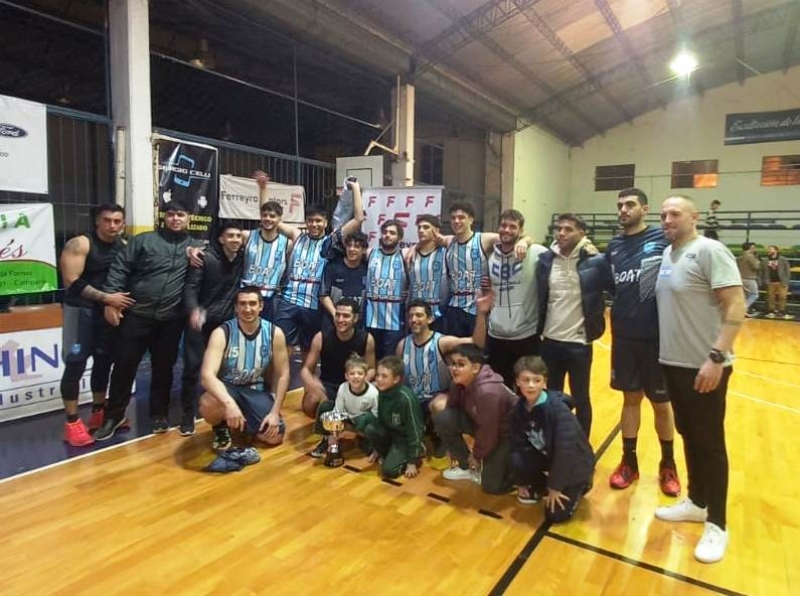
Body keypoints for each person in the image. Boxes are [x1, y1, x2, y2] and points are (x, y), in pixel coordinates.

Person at [654, 195, 745, 564]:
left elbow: (736, 304)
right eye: (662, 215)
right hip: (674, 364)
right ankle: (697, 501)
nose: (667, 219)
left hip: (705, 365)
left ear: (694, 217)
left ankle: (718, 525)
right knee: (689, 435)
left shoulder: (710, 250)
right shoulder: (667, 254)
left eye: (675, 213)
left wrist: (716, 357)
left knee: (710, 443)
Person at [95, 201, 202, 440]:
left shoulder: (193, 245)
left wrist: (197, 251)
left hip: (170, 321)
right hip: (136, 315)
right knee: (124, 367)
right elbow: (120, 268)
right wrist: (111, 301)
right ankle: (113, 416)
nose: (176, 219)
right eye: (172, 214)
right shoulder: (143, 241)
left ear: (188, 218)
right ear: (165, 217)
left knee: (164, 369)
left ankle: (159, 414)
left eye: (181, 214)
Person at [606, 189, 680, 497]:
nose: (623, 209)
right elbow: (613, 287)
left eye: (630, 204)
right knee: (630, 400)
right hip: (624, 337)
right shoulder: (613, 246)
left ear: (645, 209)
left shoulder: (663, 240)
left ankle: (668, 464)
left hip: (656, 338)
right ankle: (629, 462)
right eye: (620, 205)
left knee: (661, 404)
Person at [58, 204, 133, 446]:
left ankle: (98, 412)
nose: (112, 225)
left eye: (117, 221)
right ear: (97, 222)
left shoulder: (123, 247)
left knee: (103, 362)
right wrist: (107, 299)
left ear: (123, 224)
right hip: (80, 311)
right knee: (76, 364)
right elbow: (71, 281)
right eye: (107, 220)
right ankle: (71, 422)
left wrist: (113, 304)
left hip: (106, 314)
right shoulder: (81, 244)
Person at [264, 173, 364, 355]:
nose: (314, 224)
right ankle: (277, 383)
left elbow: (357, 219)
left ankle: (306, 383)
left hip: (313, 307)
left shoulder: (330, 241)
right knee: (279, 350)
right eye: (310, 220)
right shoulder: (298, 236)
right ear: (306, 222)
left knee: (309, 353)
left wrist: (356, 188)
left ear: (325, 222)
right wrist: (263, 188)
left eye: (318, 221)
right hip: (289, 302)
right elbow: (272, 220)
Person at [535, 213, 610, 439]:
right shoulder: (546, 260)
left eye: (568, 229)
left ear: (582, 233)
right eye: (559, 228)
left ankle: (581, 446)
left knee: (581, 398)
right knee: (552, 397)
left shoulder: (596, 261)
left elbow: (614, 289)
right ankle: (554, 441)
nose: (561, 233)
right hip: (549, 342)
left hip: (579, 344)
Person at [198, 286, 290, 451]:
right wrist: (229, 403)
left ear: (261, 306)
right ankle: (221, 427)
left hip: (256, 390)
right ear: (236, 307)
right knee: (207, 404)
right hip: (228, 388)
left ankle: (245, 424)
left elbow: (283, 375)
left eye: (252, 304)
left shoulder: (274, 333)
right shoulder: (222, 333)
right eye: (242, 304)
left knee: (275, 437)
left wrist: (275, 412)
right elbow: (206, 376)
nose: (247, 309)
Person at [510, 356, 594, 522]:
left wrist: (555, 488)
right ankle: (541, 484)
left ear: (544, 382)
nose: (531, 385)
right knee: (516, 459)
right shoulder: (519, 409)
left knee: (555, 515)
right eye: (526, 380)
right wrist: (522, 481)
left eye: (536, 380)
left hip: (575, 464)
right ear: (518, 382)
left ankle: (581, 485)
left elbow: (566, 454)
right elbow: (519, 445)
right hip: (549, 458)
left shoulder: (558, 411)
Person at [180, 222, 245, 437]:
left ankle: (220, 415)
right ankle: (187, 415)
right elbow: (190, 287)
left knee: (222, 371)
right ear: (221, 239)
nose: (235, 239)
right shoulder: (204, 258)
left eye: (238, 235)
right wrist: (193, 311)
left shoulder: (241, 257)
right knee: (192, 369)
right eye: (231, 235)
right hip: (201, 324)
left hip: (224, 326)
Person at [433, 344, 516, 494]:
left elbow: (489, 431)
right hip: (484, 427)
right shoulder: (457, 383)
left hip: (508, 436)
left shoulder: (488, 392)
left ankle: (515, 471)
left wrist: (476, 454)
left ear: (476, 368)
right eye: (453, 364)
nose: (454, 369)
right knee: (443, 419)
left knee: (492, 487)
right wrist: (451, 447)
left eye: (461, 364)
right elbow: (452, 412)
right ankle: (467, 468)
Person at [442, 201, 531, 337]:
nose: (456, 221)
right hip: (454, 307)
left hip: (477, 308)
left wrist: (524, 241)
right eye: (453, 218)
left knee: (477, 353)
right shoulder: (449, 241)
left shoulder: (484, 239)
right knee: (455, 353)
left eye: (461, 217)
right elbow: (429, 239)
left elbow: (515, 236)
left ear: (471, 219)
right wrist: (414, 248)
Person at [486, 209, 548, 388]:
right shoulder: (491, 257)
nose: (507, 230)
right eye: (503, 225)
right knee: (501, 387)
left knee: (528, 387)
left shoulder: (535, 251)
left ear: (521, 231)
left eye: (512, 227)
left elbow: (560, 254)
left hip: (526, 334)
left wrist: (585, 246)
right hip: (496, 334)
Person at [299, 298, 375, 417]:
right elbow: (306, 370)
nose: (340, 320)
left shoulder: (366, 339)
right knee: (311, 403)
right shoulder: (321, 337)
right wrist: (314, 385)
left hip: (352, 384)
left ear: (355, 318)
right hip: (328, 385)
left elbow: (371, 369)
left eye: (345, 316)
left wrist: (359, 384)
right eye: (337, 315)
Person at [363, 356, 425, 480]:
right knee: (369, 428)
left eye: (384, 376)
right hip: (390, 434)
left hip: (404, 439)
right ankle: (388, 454)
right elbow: (380, 421)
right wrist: (377, 448)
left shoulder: (406, 399)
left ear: (396, 379)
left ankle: (416, 453)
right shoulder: (381, 392)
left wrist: (412, 462)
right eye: (378, 375)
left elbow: (415, 431)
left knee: (389, 471)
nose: (379, 380)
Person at [309, 354, 379, 458]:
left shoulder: (373, 393)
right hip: (347, 418)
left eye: (360, 373)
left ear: (365, 375)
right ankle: (326, 440)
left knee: (368, 447)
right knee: (326, 406)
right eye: (352, 373)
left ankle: (362, 438)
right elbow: (337, 411)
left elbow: (376, 417)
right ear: (346, 376)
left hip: (363, 421)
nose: (356, 376)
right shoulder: (343, 388)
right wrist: (333, 434)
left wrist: (362, 432)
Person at [364, 219, 409, 360]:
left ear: (399, 237)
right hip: (371, 319)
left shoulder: (405, 255)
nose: (387, 235)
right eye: (384, 232)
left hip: (394, 321)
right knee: (370, 359)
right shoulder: (370, 253)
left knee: (390, 361)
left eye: (392, 233)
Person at [240, 200, 292, 320]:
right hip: (246, 296)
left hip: (270, 299)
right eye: (265, 215)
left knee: (266, 334)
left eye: (272, 216)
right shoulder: (247, 236)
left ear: (279, 219)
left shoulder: (287, 244)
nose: (268, 218)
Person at [320, 231, 368, 335]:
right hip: (331, 323)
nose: (351, 249)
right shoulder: (332, 267)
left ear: (364, 250)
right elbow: (323, 295)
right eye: (349, 245)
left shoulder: (368, 270)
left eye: (356, 246)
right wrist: (337, 316)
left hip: (357, 326)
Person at [407, 215, 448, 331]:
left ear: (436, 230)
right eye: (419, 227)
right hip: (415, 315)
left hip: (438, 314)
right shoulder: (411, 255)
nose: (421, 230)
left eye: (426, 227)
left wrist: (441, 311)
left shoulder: (445, 253)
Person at [760, 245, 791, 319]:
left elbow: (787, 271)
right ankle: (771, 311)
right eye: (768, 249)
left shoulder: (783, 259)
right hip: (770, 281)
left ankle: (781, 311)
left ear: (776, 250)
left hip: (781, 281)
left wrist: (786, 280)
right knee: (770, 297)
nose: (769, 251)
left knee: (782, 297)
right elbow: (761, 271)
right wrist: (763, 280)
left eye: (770, 249)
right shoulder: (765, 260)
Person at [737, 242, 761, 317]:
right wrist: (758, 261)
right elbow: (756, 267)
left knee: (746, 296)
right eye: (754, 248)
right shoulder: (750, 256)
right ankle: (743, 309)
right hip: (749, 278)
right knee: (754, 294)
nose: (755, 249)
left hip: (741, 278)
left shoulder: (740, 256)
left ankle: (743, 311)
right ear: (751, 248)